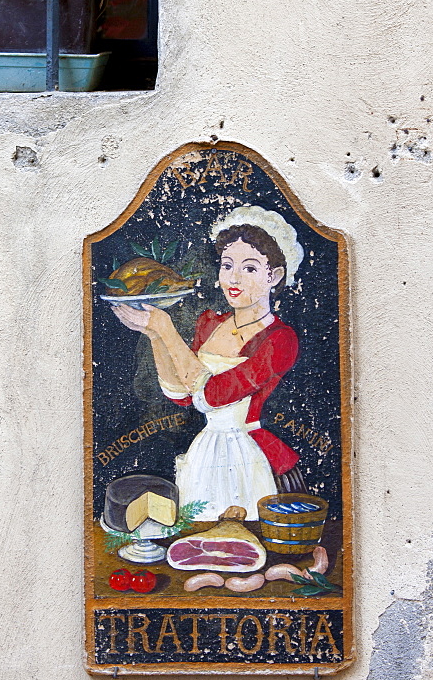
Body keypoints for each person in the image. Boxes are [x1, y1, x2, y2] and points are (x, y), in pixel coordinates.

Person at [113, 205, 305, 520]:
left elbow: (210, 396)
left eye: (251, 269)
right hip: (206, 451)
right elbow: (182, 394)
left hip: (246, 455)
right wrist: (155, 336)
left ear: (276, 276)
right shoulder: (210, 323)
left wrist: (166, 328)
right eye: (227, 265)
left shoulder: (280, 340)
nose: (234, 278)